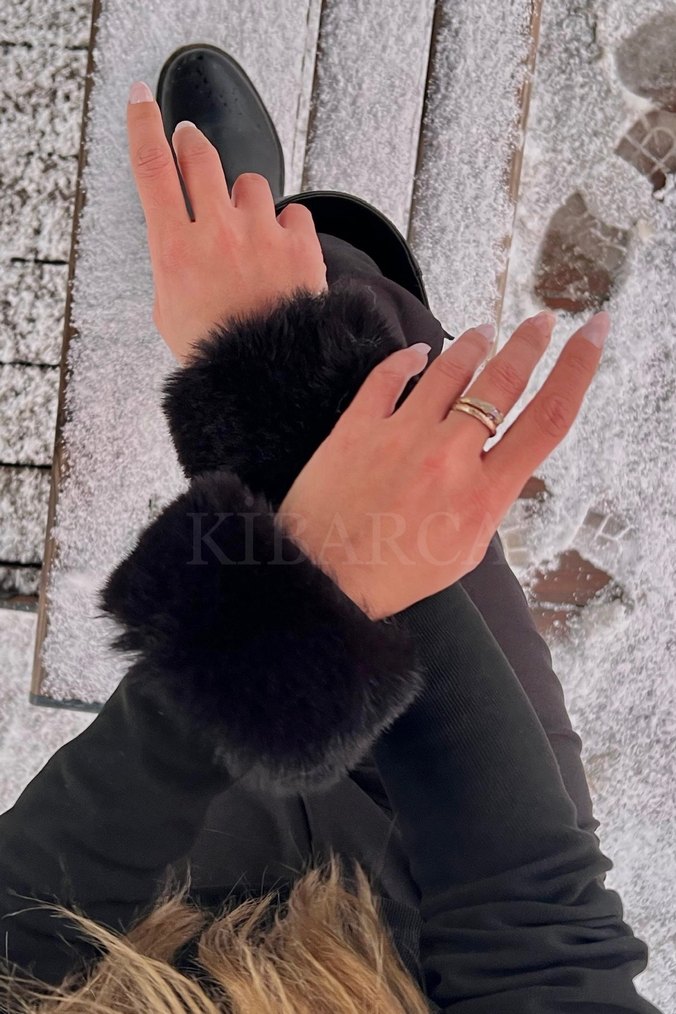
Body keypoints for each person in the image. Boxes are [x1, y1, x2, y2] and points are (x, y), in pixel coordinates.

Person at [0, 72, 661, 1014]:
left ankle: (274, 256)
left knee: (350, 404)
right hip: (449, 891)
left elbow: (16, 931)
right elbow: (541, 938)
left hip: (173, 890)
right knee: (379, 375)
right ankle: (322, 265)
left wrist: (288, 588)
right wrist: (286, 403)